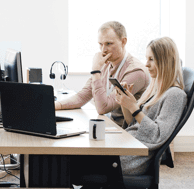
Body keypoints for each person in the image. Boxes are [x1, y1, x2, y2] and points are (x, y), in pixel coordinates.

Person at [114, 36, 187, 175]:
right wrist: (126, 103)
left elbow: (157, 135)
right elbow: (133, 123)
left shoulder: (175, 95)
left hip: (134, 157)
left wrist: (134, 108)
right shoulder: (156, 89)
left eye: (151, 59)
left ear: (165, 61)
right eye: (146, 58)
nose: (146, 64)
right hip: (130, 146)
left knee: (74, 162)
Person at [55, 21, 150, 127]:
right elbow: (82, 96)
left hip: (126, 133)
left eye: (109, 44)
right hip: (109, 126)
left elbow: (103, 108)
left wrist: (95, 70)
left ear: (123, 42)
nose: (103, 50)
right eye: (100, 44)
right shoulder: (106, 64)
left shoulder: (136, 72)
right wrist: (53, 106)